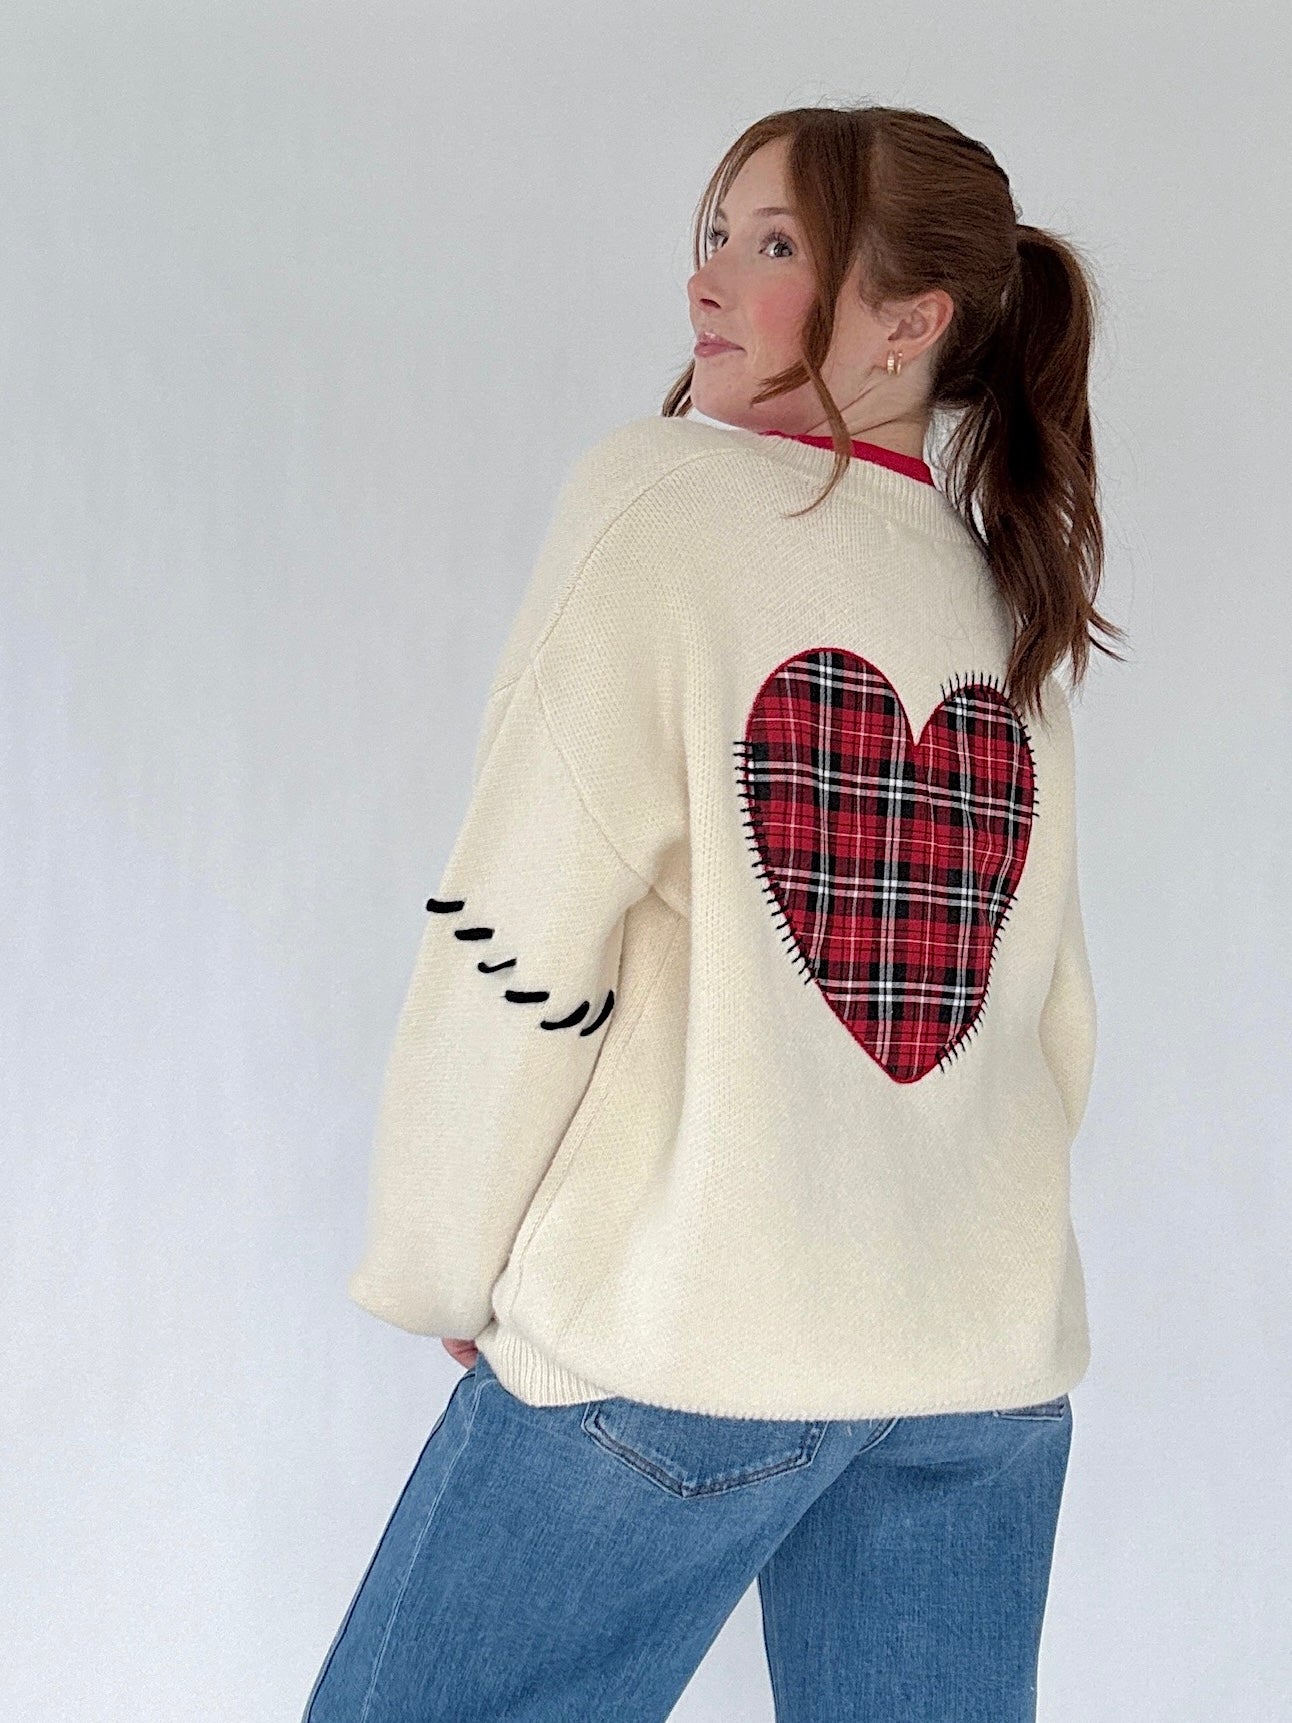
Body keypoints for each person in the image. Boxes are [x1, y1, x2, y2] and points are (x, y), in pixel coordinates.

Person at [303, 101, 1124, 1723]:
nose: (710, 278)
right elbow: (1053, 1020)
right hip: (981, 1368)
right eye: (714, 234)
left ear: (910, 322)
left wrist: (443, 1259)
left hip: (686, 1343)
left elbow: (524, 923)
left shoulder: (663, 502)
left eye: (775, 246)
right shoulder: (996, 586)